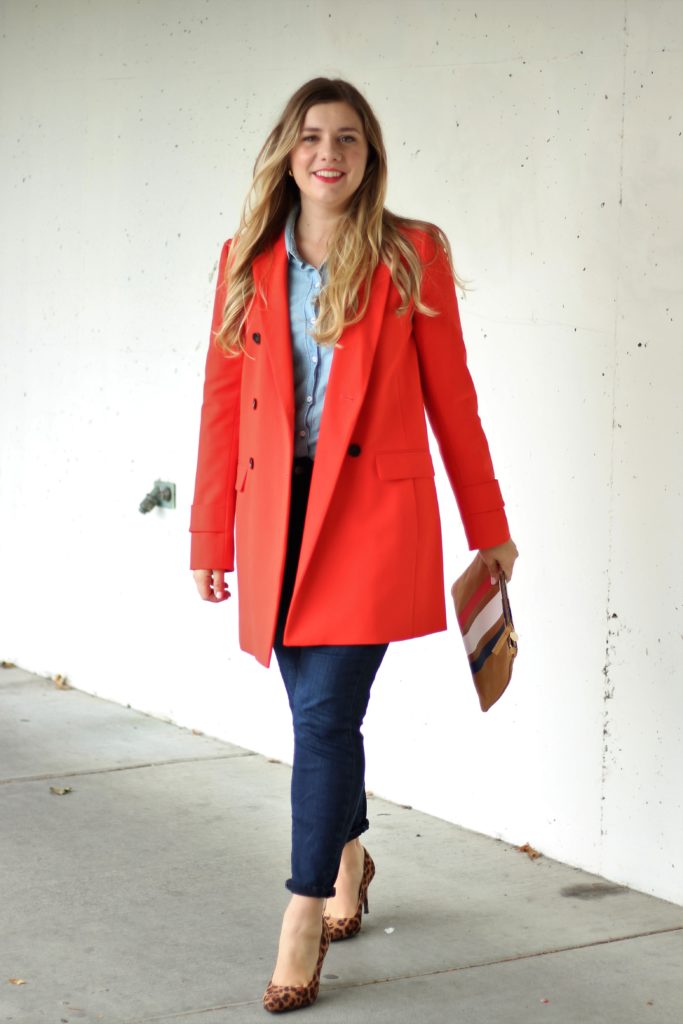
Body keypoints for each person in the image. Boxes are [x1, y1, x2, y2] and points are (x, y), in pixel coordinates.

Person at [189, 76, 518, 1014]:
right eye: (310, 137)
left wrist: (489, 529)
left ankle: (301, 914)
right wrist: (211, 533)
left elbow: (452, 399)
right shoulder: (244, 258)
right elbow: (221, 408)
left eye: (347, 139)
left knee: (325, 718)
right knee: (316, 715)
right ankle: (349, 854)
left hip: (369, 515)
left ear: (369, 156)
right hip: (274, 518)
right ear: (285, 152)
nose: (327, 153)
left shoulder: (411, 254)